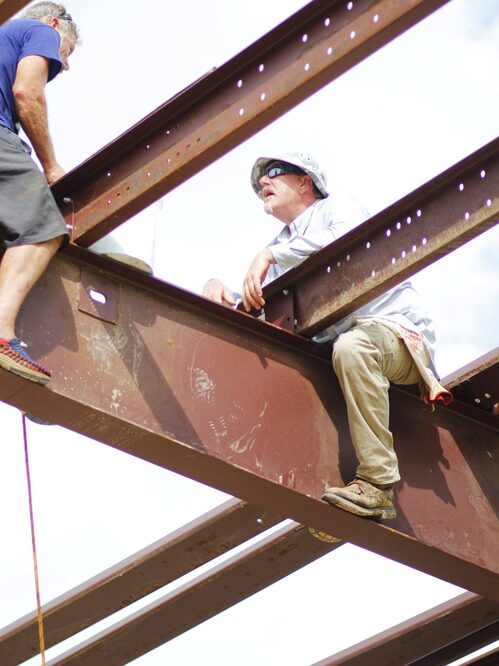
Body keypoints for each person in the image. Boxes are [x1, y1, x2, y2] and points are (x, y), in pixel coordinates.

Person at [203, 151, 451, 521]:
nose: (264, 182)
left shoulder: (337, 207)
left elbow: (342, 239)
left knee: (354, 346)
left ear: (306, 181)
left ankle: (378, 484)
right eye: (259, 183)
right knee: (339, 351)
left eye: (274, 172)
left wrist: (269, 255)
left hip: (394, 334)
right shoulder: (283, 245)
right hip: (348, 352)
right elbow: (267, 304)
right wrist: (220, 291)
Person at [0, 2, 78, 384]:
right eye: (68, 51)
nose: (66, 64)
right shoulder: (42, 31)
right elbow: (27, 92)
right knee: (42, 226)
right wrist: (50, 166)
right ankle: (2, 334)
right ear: (53, 24)